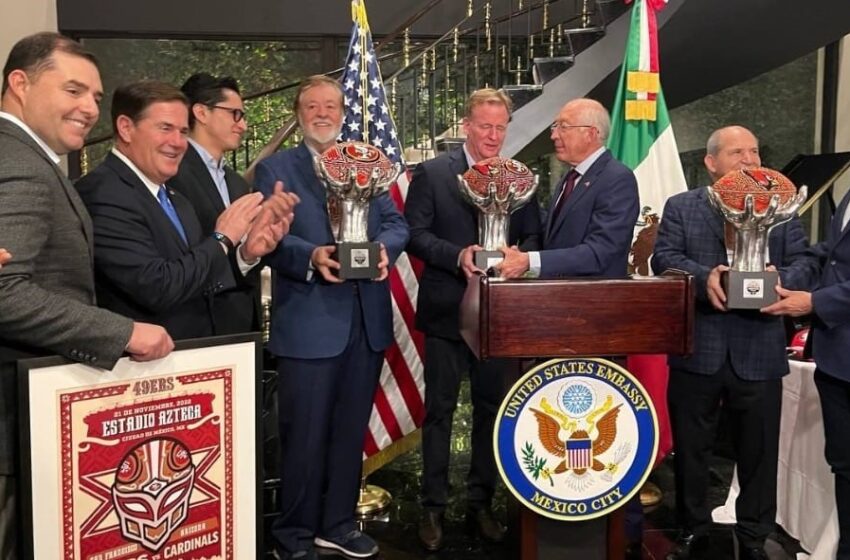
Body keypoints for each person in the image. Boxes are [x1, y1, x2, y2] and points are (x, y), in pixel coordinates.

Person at [0, 32, 173, 558]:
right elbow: (4, 293)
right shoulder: (19, 162)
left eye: (96, 96)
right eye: (73, 90)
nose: (89, 107)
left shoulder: (30, 156)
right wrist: (122, 332)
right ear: (20, 83)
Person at [254, 75, 408, 560]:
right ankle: (294, 535)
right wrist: (313, 254)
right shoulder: (275, 168)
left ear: (343, 112)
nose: (322, 113)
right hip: (309, 324)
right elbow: (266, 238)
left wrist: (384, 251)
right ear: (298, 114)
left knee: (347, 435)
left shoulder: (367, 164)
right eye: (311, 106)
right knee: (303, 438)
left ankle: (337, 525)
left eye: (331, 106)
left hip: (366, 323)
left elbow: (397, 223)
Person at [651, 126, 814, 560]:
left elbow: (804, 264)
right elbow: (663, 259)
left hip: (759, 353)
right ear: (711, 162)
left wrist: (782, 281)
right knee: (692, 449)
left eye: (755, 151)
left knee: (759, 453)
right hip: (698, 348)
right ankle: (692, 527)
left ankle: (755, 536)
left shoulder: (780, 209)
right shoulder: (683, 207)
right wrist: (707, 279)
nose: (749, 160)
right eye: (737, 152)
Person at [404, 88, 540, 551]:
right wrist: (455, 254)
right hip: (446, 312)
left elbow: (533, 233)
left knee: (491, 412)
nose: (493, 136)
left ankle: (481, 502)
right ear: (466, 126)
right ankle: (433, 508)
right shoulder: (434, 173)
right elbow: (414, 235)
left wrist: (522, 254)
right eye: (485, 126)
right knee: (440, 411)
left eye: (501, 127)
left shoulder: (518, 177)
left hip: (500, 317)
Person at [75, 80, 296, 340]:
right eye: (165, 128)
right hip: (146, 368)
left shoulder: (175, 198)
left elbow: (198, 277)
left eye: (182, 131)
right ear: (126, 128)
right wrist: (222, 238)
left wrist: (245, 256)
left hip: (199, 357)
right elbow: (156, 287)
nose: (178, 142)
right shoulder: (103, 192)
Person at [762, 192, 850, 559]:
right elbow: (828, 252)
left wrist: (815, 302)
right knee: (844, 465)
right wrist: (779, 273)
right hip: (836, 358)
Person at [497, 97, 639, 280]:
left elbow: (600, 252)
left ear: (590, 133)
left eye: (563, 127)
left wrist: (530, 260)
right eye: (554, 127)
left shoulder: (617, 179)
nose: (553, 135)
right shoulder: (570, 178)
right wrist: (519, 255)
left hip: (594, 300)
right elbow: (554, 238)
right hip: (559, 297)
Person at [167, 73, 261, 334]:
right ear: (201, 112)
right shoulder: (170, 174)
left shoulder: (237, 183)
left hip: (239, 323)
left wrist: (255, 248)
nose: (242, 125)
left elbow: (241, 258)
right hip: (192, 326)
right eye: (235, 114)